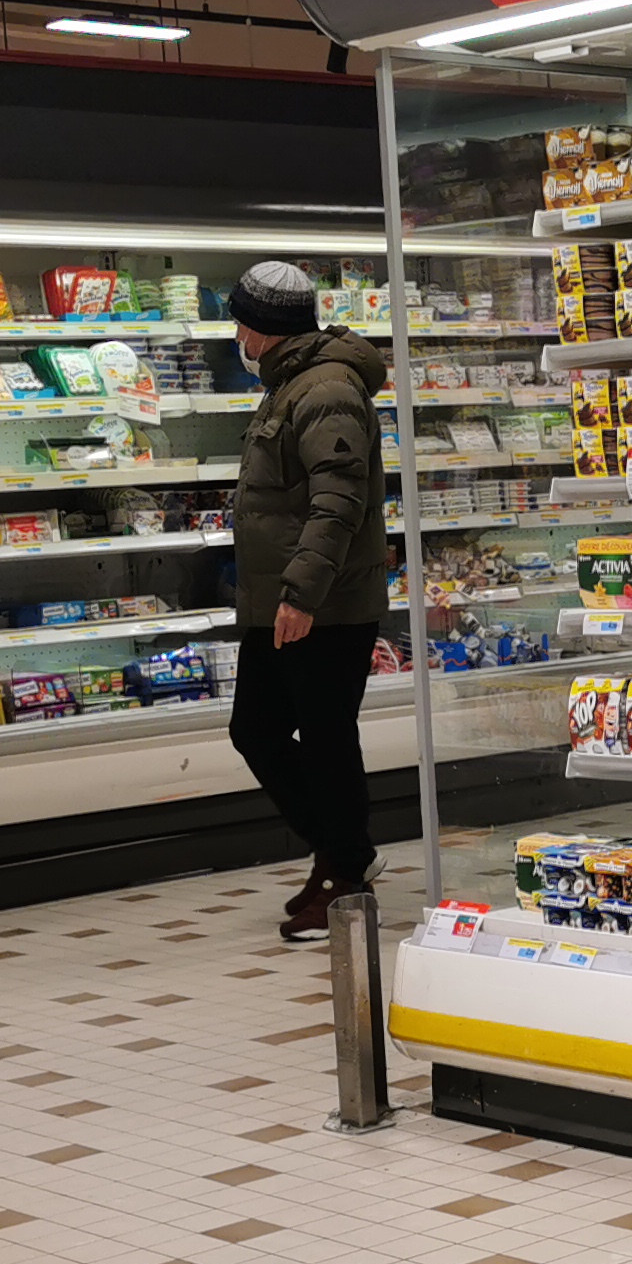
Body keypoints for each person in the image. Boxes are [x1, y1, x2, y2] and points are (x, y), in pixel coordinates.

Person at [223, 261, 393, 942]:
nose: (237, 336)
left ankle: (345, 877)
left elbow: (338, 501)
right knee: (257, 730)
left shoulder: (326, 389)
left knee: (325, 740)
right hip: (286, 601)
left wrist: (301, 594)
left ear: (262, 327)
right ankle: (344, 852)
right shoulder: (292, 382)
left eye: (241, 322)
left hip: (324, 605)